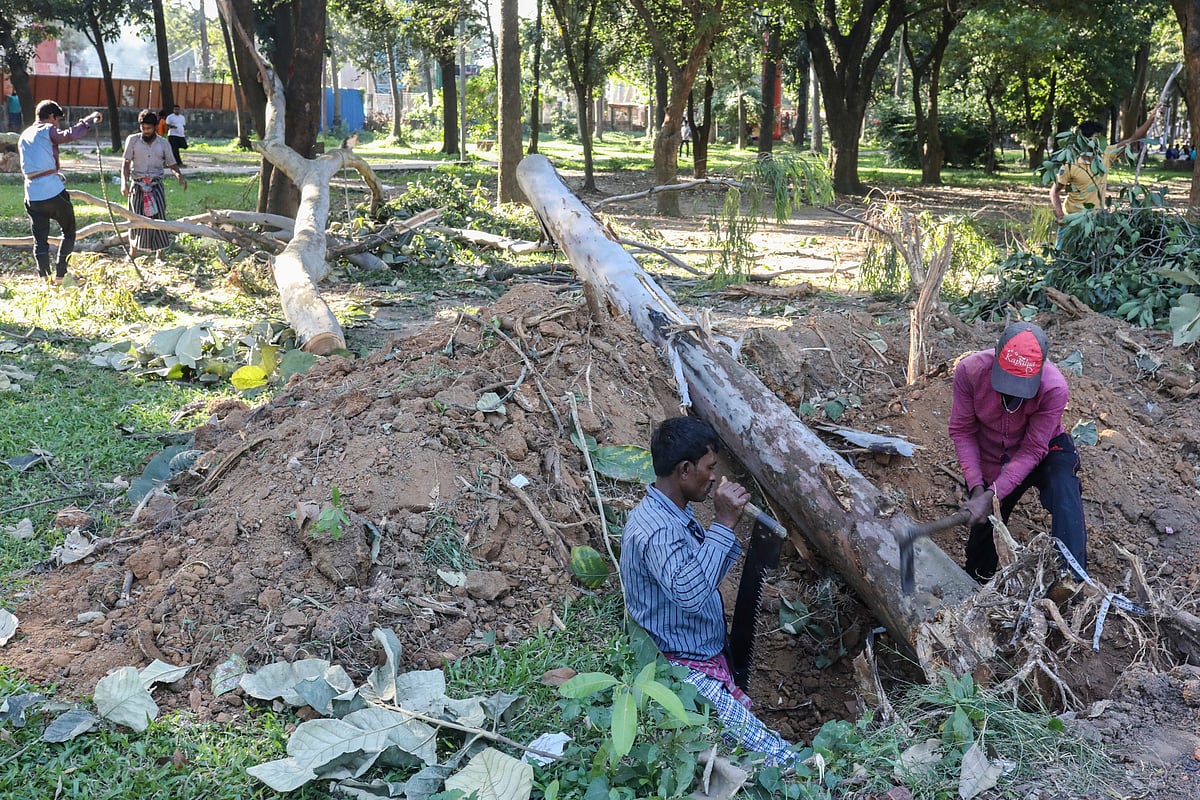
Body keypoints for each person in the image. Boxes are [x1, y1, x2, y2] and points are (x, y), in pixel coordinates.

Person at [619, 416, 797, 768]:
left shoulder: (671, 515)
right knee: (782, 760)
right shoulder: (659, 531)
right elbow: (691, 593)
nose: (714, 476)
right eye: (709, 467)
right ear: (685, 469)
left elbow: (694, 573)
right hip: (683, 670)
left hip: (701, 656)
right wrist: (725, 523)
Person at [948, 322, 1087, 583]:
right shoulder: (970, 371)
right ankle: (978, 583)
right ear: (997, 356)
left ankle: (1073, 578)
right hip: (993, 455)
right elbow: (963, 431)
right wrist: (978, 487)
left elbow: (1033, 449)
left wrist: (993, 492)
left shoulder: (1054, 388)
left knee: (1063, 486)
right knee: (982, 538)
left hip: (1045, 449)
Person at [1050, 106, 1161, 248]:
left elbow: (1133, 139)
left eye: (1100, 138)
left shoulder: (1106, 154)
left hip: (1095, 220)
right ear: (1084, 140)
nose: (1099, 143)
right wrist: (1060, 215)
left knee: (1090, 259)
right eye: (1095, 138)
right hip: (1072, 219)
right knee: (1062, 256)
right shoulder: (1070, 165)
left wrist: (1152, 118)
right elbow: (1055, 191)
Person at [18, 101, 103, 285]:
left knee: (39, 240)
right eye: (57, 120)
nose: (57, 124)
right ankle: (60, 274)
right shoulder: (47, 129)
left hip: (32, 194)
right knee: (69, 232)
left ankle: (45, 279)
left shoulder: (24, 135)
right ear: (51, 117)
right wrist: (89, 120)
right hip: (52, 191)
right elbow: (69, 135)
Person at [121, 109, 187, 261]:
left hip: (155, 186)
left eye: (149, 128)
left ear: (156, 127)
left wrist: (179, 177)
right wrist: (124, 184)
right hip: (137, 186)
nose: (145, 131)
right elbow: (125, 164)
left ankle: (160, 254)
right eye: (143, 127)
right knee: (135, 218)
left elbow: (172, 164)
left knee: (159, 219)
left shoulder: (163, 144)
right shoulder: (133, 140)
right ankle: (133, 252)